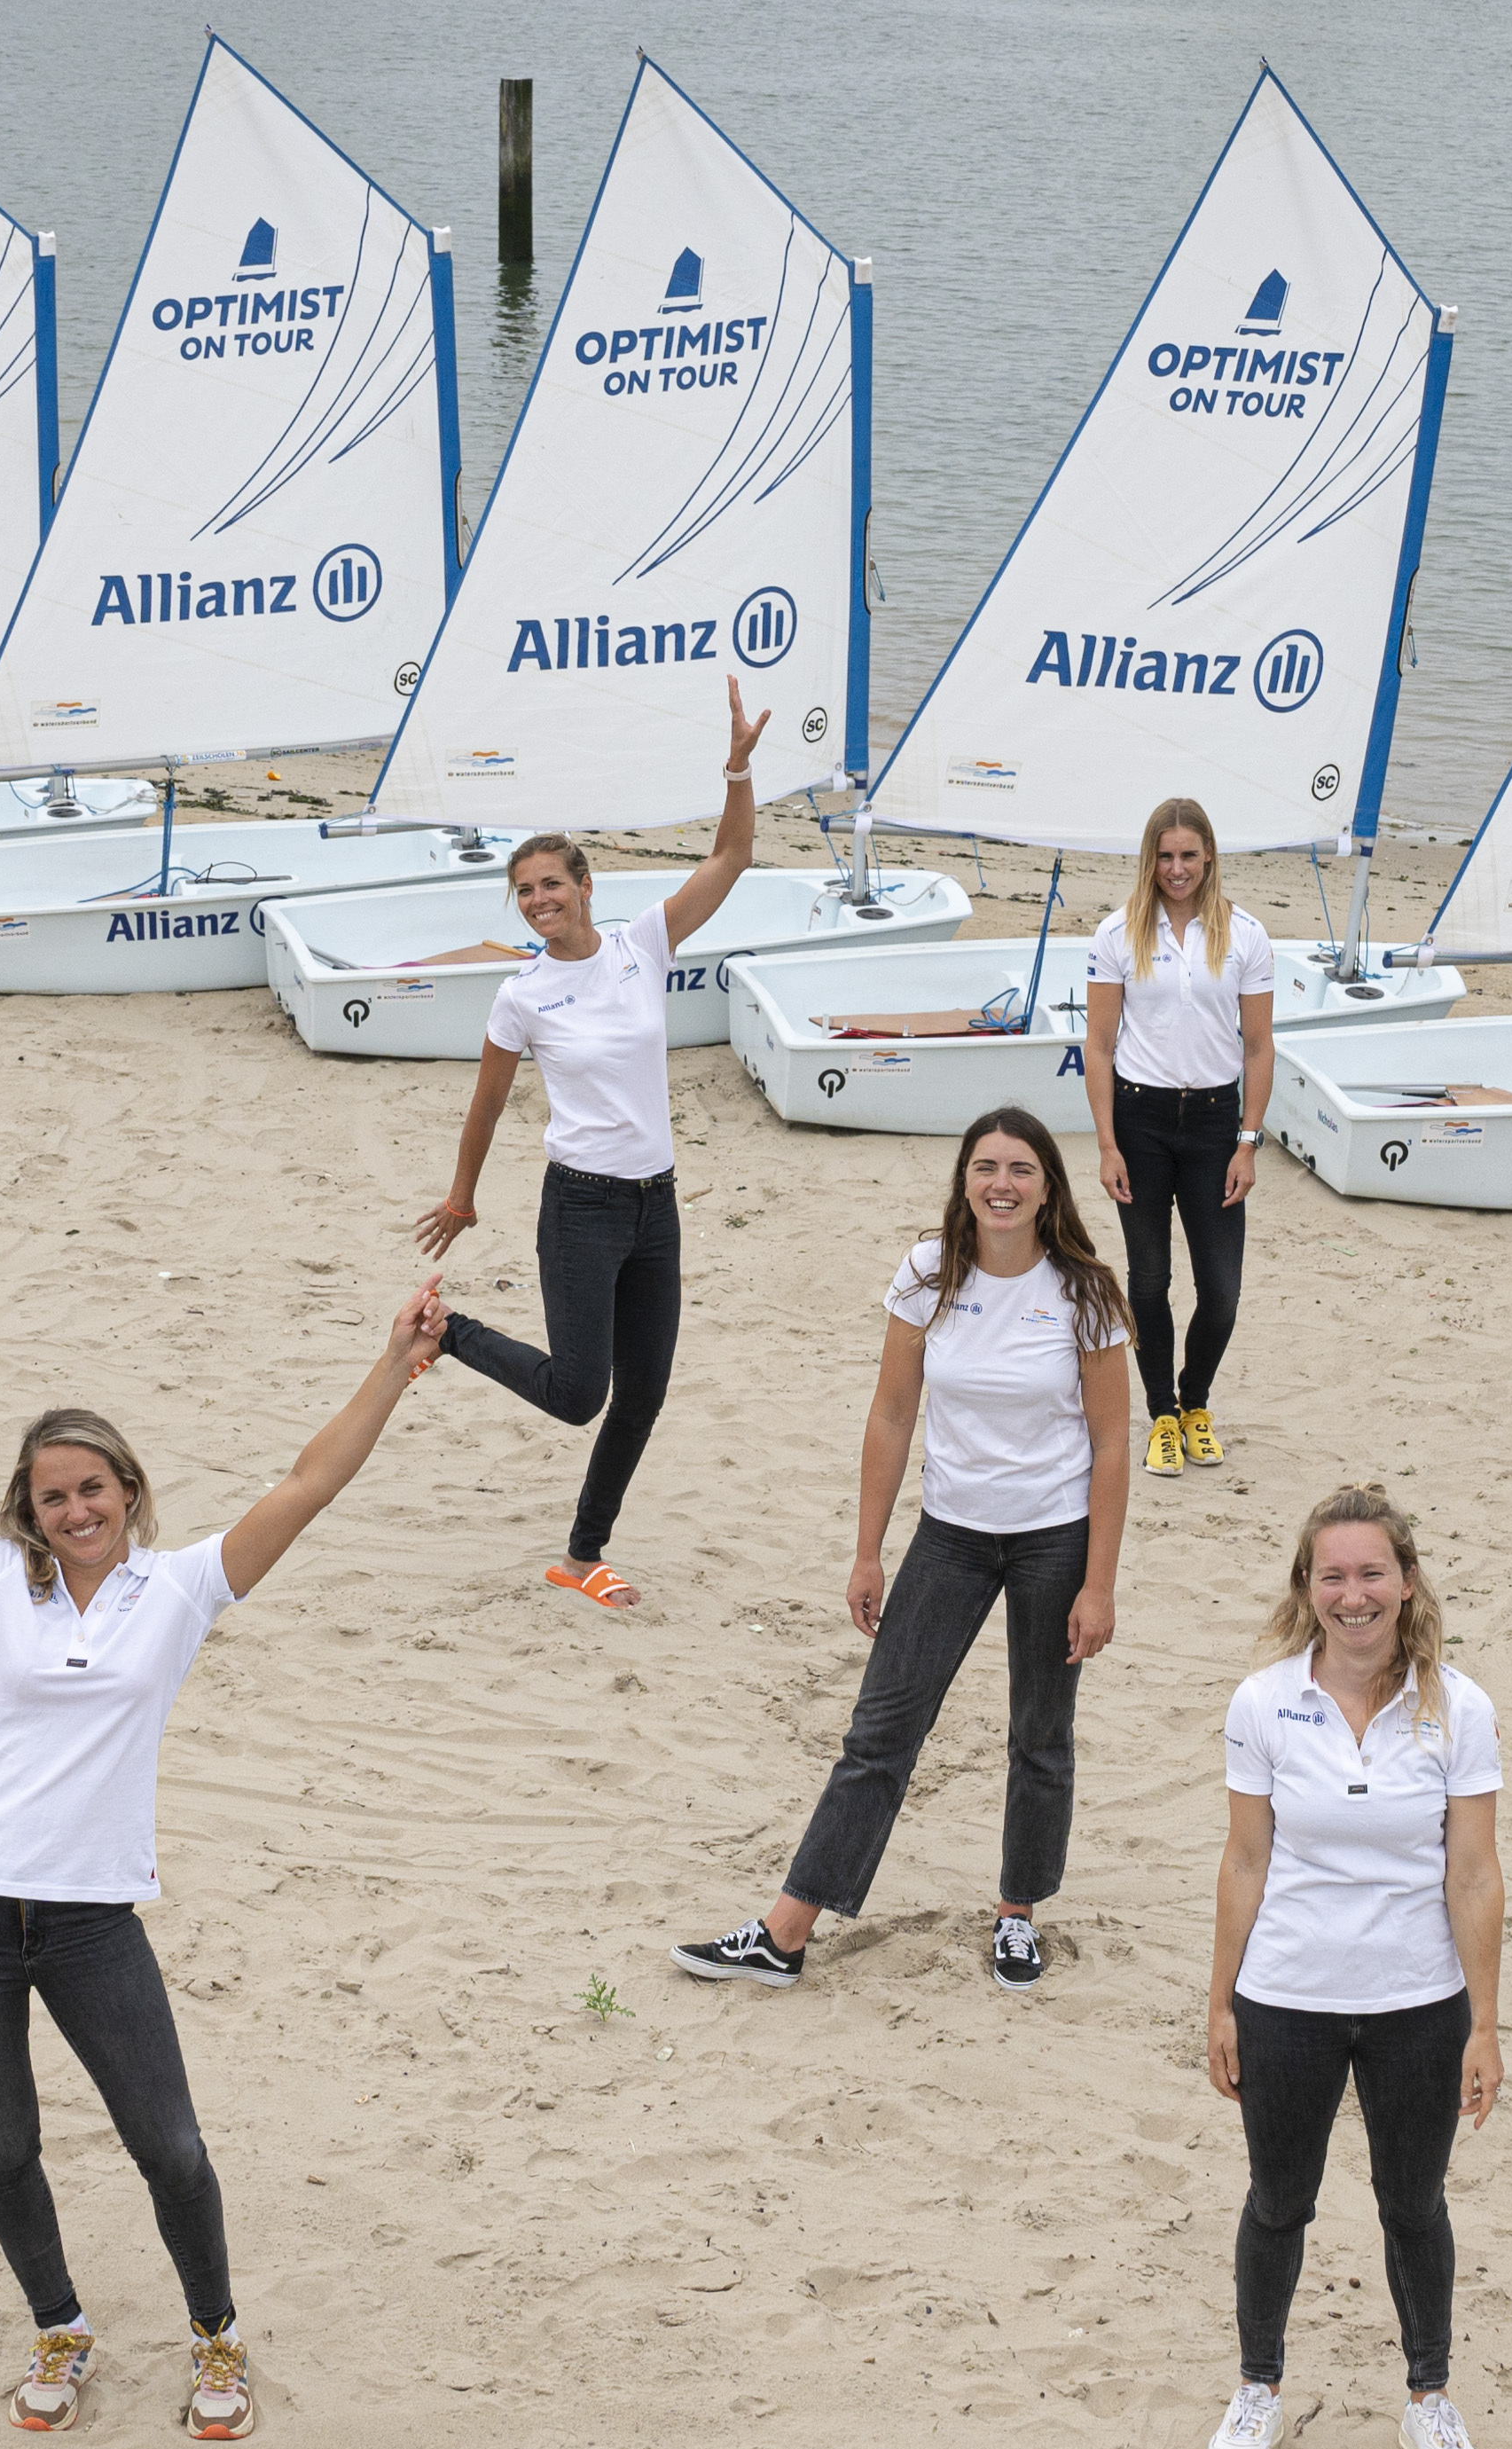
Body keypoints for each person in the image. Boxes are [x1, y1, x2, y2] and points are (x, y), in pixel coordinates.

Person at [0, 1258, 447, 2446]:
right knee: (3, 2143)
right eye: (53, 1495)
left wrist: (393, 1363)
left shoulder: (180, 1589)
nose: (76, 1510)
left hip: (87, 1916)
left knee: (168, 2141)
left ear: (128, 1489)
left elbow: (311, 1479)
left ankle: (215, 2334)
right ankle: (58, 2328)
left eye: (93, 1488)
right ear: (29, 1507)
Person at [672, 1106, 1132, 1996]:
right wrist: (866, 1551)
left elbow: (1112, 1443)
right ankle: (786, 1930)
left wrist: (1099, 1583)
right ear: (964, 1178)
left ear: (1048, 1187)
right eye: (987, 1166)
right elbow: (890, 1415)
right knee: (881, 1728)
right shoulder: (928, 1274)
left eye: (1022, 1169)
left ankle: (1016, 1915)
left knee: (1040, 1732)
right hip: (952, 1534)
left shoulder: (1085, 1290)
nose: (1003, 1183)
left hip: (1053, 1538)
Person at [412, 679, 772, 1609]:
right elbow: (487, 1105)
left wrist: (737, 765)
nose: (540, 900)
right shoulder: (522, 996)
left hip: (656, 1202)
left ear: (584, 886)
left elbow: (733, 854)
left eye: (553, 884)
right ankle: (450, 1332)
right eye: (525, 890)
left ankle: (581, 1554)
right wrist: (462, 1195)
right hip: (580, 1203)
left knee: (644, 1390)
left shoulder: (637, 946)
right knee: (579, 1392)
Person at [1197, 1486, 1502, 2449]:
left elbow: (1474, 1874)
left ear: (1406, 1581)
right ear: (1307, 1587)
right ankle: (1257, 2389)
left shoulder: (1459, 1706)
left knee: (1413, 2204)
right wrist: (1222, 2001)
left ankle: (1428, 2398)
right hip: (1288, 1995)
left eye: (1372, 1572)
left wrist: (1485, 2025)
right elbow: (1245, 1860)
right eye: (1333, 1574)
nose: (1353, 1594)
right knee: (1278, 2202)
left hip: (1420, 1999)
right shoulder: (1263, 1702)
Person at [1084, 797, 1277, 1481]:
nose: (1176, 869)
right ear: (1150, 859)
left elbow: (1258, 1046)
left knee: (1221, 1289)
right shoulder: (1117, 934)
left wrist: (1248, 1141)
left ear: (1209, 858)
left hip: (1215, 1124)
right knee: (1149, 1279)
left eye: (1188, 856)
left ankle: (1196, 1403)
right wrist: (1108, 1144)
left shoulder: (1246, 935)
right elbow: (1100, 1046)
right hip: (1140, 1121)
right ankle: (1162, 1413)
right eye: (1164, 856)